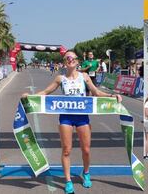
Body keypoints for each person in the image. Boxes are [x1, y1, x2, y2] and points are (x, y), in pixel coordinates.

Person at [22, 51, 122, 194]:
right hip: (66, 118)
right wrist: (30, 96)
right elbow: (45, 92)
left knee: (86, 150)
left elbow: (96, 92)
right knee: (66, 150)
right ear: (64, 62)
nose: (70, 60)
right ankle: (68, 181)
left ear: (77, 61)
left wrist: (113, 95)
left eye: (72, 58)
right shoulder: (60, 78)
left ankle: (86, 173)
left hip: (82, 117)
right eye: (67, 58)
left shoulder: (85, 76)